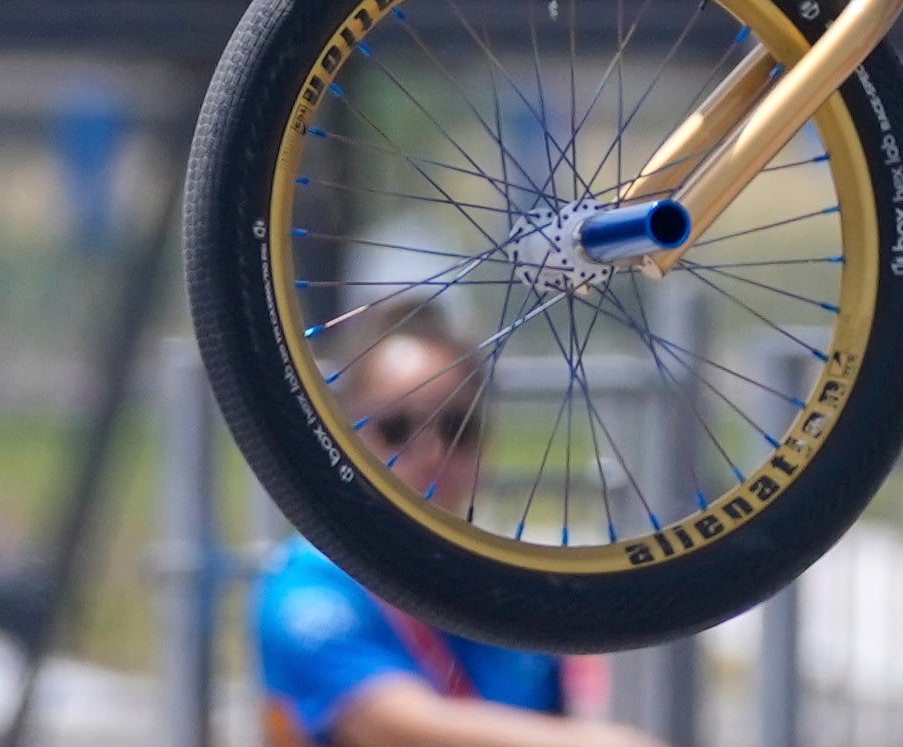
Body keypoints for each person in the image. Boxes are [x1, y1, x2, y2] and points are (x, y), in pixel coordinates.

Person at [254, 311, 664, 747]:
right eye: (398, 428)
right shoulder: (308, 583)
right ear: (345, 435)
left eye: (458, 428)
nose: (432, 451)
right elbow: (389, 722)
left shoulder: (517, 585)